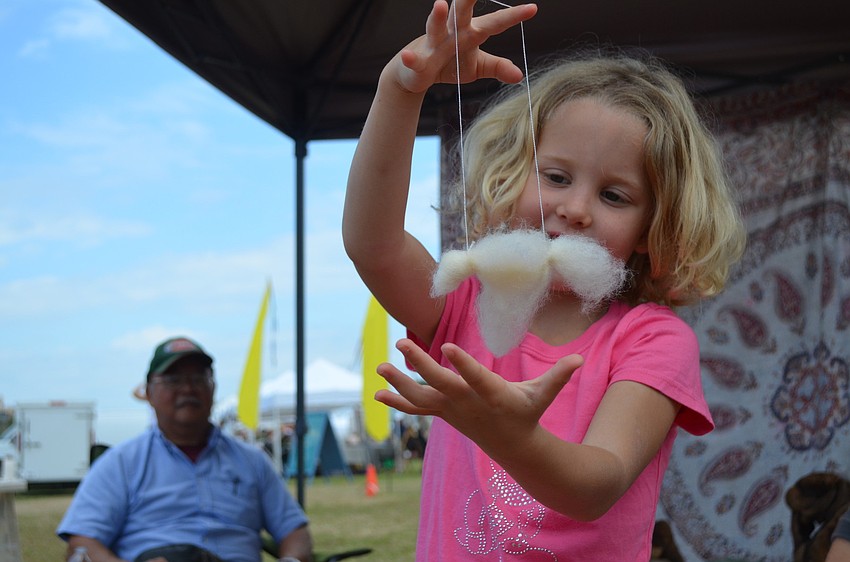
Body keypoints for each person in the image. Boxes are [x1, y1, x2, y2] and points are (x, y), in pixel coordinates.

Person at [342, 0, 746, 560]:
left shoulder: (654, 340)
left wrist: (507, 433)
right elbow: (373, 243)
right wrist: (402, 87)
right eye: (555, 176)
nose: (576, 208)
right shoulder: (465, 305)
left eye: (614, 195)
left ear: (655, 229)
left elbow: (595, 485)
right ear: (512, 174)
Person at [57, 336, 313, 562]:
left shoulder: (252, 461)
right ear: (149, 393)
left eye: (198, 378)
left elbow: (295, 531)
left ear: (213, 388)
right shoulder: (120, 463)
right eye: (173, 379)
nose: (188, 388)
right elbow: (81, 544)